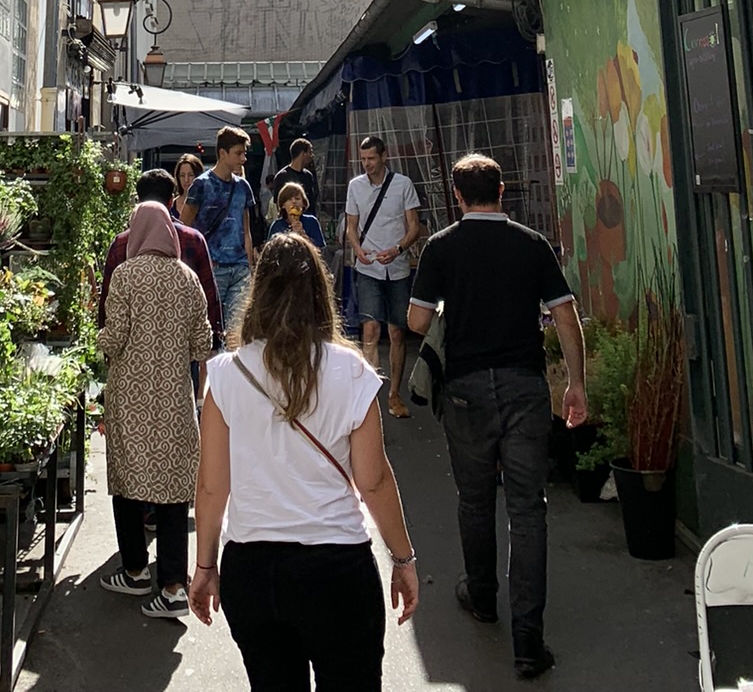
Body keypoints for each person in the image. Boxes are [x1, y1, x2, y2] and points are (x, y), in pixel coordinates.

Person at [190, 232, 418, 690]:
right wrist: (403, 558)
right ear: (320, 293)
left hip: (253, 567)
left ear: (258, 294)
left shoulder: (227, 375)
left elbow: (213, 487)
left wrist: (205, 567)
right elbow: (373, 481)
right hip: (336, 566)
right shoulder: (351, 371)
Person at [406, 153, 586, 682]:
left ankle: (482, 595)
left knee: (475, 498)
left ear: (457, 196)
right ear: (502, 190)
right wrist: (576, 384)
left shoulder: (441, 247)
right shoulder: (532, 244)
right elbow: (565, 313)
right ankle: (529, 641)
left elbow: (416, 319)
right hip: (524, 385)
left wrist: (451, 308)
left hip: (465, 388)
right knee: (528, 509)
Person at [97, 200, 215, 619]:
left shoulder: (125, 275)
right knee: (173, 491)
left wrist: (96, 345)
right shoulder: (187, 278)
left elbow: (113, 337)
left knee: (127, 481)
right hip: (174, 402)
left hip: (129, 399)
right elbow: (203, 344)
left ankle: (133, 570)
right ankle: (173, 587)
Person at [97, 168, 224, 346]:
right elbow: (208, 296)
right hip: (181, 348)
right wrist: (213, 343)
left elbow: (107, 303)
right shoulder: (193, 239)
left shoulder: (121, 243)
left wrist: (107, 345)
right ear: (171, 201)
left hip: (130, 351)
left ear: (138, 201)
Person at [345, 136, 421, 420]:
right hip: (368, 266)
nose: (367, 164)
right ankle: (371, 396)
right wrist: (357, 249)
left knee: (397, 331)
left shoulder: (402, 184)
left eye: (371, 158)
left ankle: (394, 393)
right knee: (370, 330)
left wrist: (399, 248)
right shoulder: (355, 186)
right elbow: (351, 226)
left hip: (397, 266)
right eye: (363, 159)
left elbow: (414, 226)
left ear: (384, 156)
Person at [180, 125, 256, 330]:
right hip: (212, 267)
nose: (243, 159)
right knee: (210, 327)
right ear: (222, 153)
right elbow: (184, 228)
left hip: (240, 268)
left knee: (236, 329)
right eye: (238, 153)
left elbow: (246, 231)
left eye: (244, 153)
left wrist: (249, 267)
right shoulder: (201, 185)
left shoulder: (243, 187)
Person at [268, 179, 326, 252]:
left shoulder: (311, 222)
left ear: (303, 203)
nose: (294, 201)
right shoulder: (277, 225)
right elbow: (270, 251)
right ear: (283, 205)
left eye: (297, 198)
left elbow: (320, 250)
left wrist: (303, 235)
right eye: (289, 199)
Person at [274, 136, 319, 217]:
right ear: (303, 154)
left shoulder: (308, 176)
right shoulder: (282, 176)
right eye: (310, 152)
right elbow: (278, 203)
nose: (312, 156)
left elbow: (312, 203)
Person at [173, 151, 204, 216]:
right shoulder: (171, 205)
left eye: (191, 175)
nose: (186, 180)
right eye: (182, 175)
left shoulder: (207, 205)